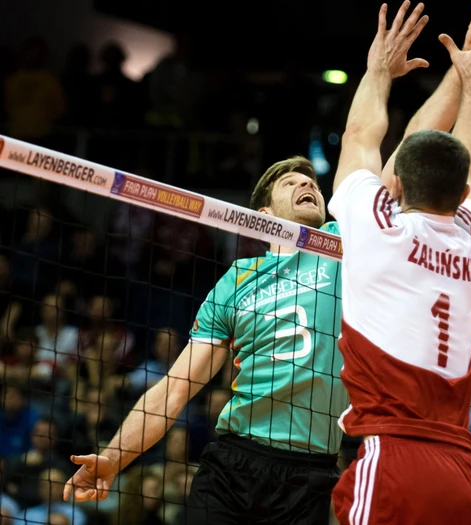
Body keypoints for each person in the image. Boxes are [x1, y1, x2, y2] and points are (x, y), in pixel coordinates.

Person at [63, 156, 348, 524]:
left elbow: (372, 149)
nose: (307, 185)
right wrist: (113, 458)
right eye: (290, 183)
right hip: (235, 466)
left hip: (309, 476)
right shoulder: (237, 281)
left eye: (312, 184)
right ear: (264, 215)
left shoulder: (344, 246)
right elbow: (174, 389)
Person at [327, 0, 471, 524]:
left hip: (391, 458)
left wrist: (378, 71)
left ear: (396, 184)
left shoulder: (379, 228)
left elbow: (360, 137)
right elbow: (466, 163)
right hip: (465, 470)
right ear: (463, 194)